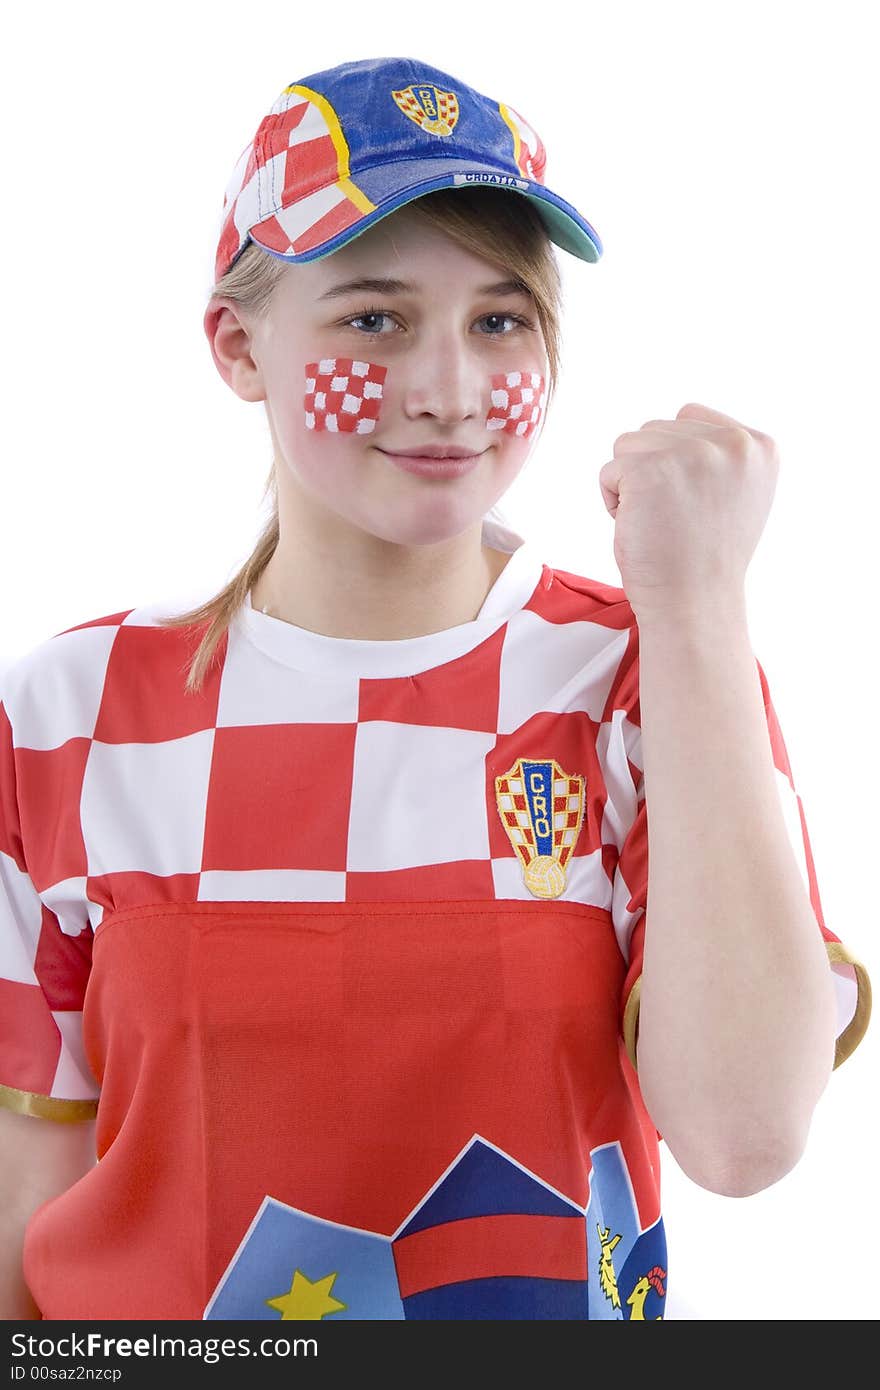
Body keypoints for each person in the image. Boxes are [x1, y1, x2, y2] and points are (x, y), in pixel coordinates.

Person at [0, 55, 871, 1324]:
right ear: (238, 347)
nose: (450, 391)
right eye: (373, 318)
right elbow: (33, 1190)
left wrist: (698, 601)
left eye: (500, 319)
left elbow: (744, 1136)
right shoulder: (72, 713)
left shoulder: (644, 672)